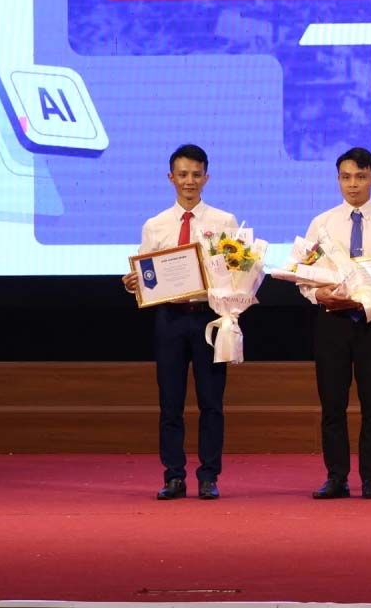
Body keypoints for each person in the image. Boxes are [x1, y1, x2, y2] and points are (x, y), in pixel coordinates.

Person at [122, 144, 238, 500]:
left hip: (209, 318)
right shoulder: (155, 225)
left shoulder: (224, 222)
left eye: (196, 174)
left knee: (211, 402)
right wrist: (133, 283)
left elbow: (236, 271)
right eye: (183, 174)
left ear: (207, 177)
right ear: (170, 177)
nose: (190, 181)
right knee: (170, 402)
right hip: (170, 320)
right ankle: (173, 476)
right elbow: (147, 277)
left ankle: (208, 477)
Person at [301, 147, 371, 500]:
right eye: (346, 177)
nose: (353, 184)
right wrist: (317, 295)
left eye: (361, 177)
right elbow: (304, 276)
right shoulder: (321, 223)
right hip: (332, 322)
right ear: (338, 179)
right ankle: (336, 476)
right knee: (332, 404)